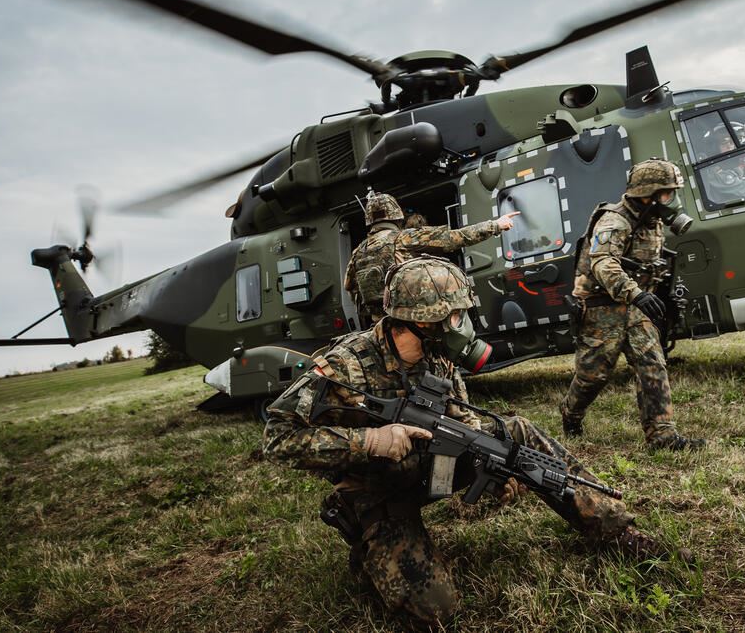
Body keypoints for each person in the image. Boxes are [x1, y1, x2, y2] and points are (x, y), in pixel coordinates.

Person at [264, 257, 676, 625]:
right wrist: (368, 440)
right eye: (458, 315)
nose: (464, 324)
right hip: (377, 485)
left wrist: (492, 463)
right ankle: (364, 538)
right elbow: (278, 438)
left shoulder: (439, 357)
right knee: (436, 610)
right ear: (426, 322)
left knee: (514, 434)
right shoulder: (344, 365)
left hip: (431, 462)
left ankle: (615, 529)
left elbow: (462, 417)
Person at [560, 158, 706, 450]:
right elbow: (603, 263)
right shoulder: (615, 220)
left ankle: (662, 436)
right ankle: (571, 413)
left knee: (652, 364)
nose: (671, 200)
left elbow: (650, 262)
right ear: (647, 193)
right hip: (603, 307)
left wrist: (662, 291)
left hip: (635, 306)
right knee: (593, 375)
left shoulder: (652, 220)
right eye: (667, 193)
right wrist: (636, 293)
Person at [343, 192, 519, 326]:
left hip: (380, 323)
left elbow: (349, 286)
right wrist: (495, 225)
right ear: (396, 216)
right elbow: (456, 237)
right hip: (412, 318)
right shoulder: (405, 238)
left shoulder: (359, 251)